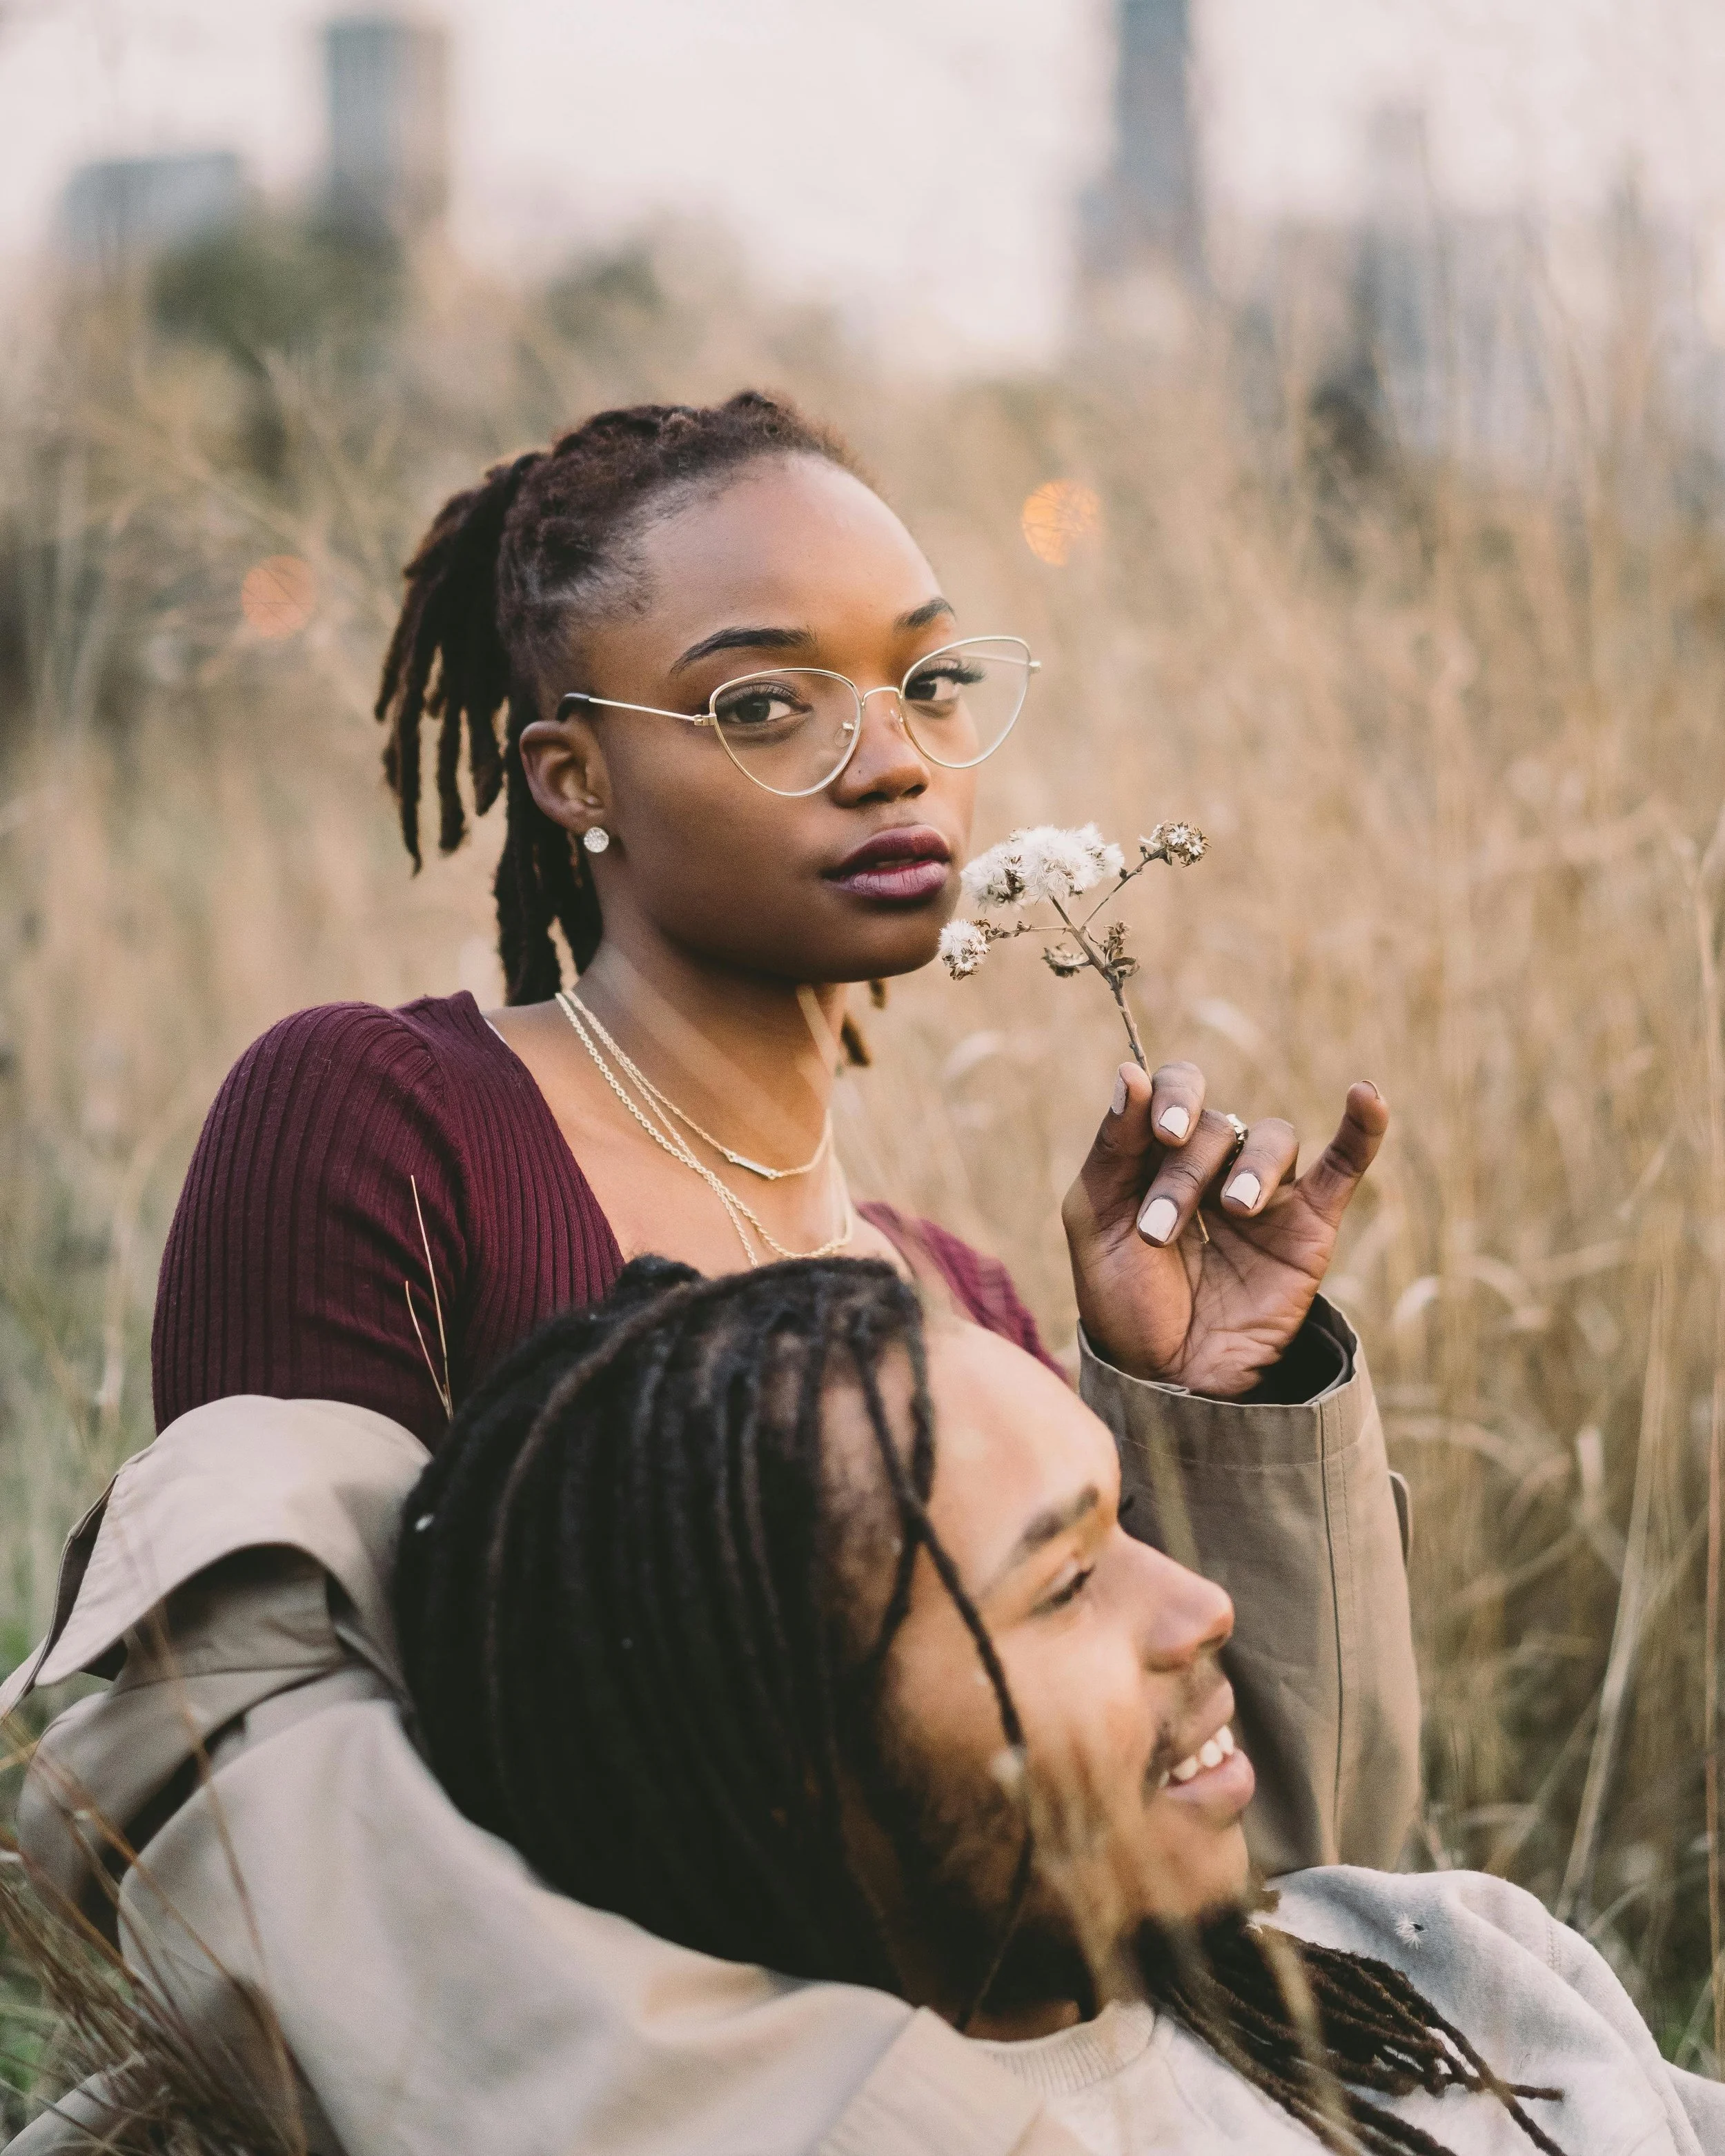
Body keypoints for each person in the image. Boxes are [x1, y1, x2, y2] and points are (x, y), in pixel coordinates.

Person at [395, 1256, 1724, 2156]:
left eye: (1128, 1519)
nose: (1203, 1604)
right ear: (786, 1770)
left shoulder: (1436, 1957)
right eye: (1068, 1579)